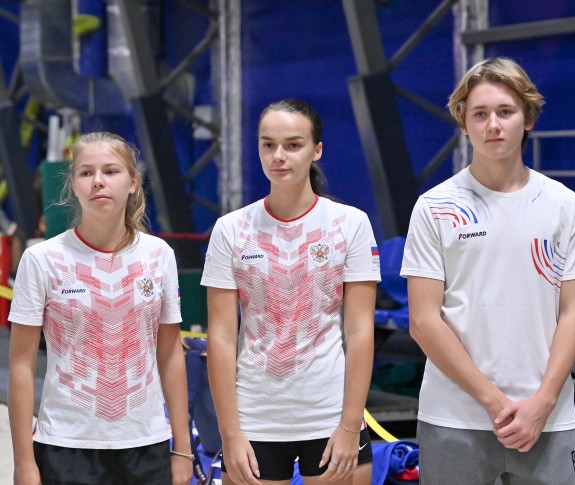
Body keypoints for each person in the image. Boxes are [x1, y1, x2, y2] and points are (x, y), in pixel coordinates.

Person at [400, 56, 575, 484]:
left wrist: (543, 402)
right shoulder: (435, 207)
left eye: (505, 111)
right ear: (464, 122)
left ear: (528, 118)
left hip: (546, 417)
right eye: (480, 114)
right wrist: (492, 401)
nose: (493, 124)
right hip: (454, 417)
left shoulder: (564, 205)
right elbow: (423, 320)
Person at [201, 99, 380, 485]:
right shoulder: (231, 229)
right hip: (254, 418)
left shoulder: (351, 224)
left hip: (331, 416)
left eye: (293, 145)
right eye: (268, 144)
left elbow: (360, 330)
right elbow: (221, 336)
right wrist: (229, 433)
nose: (278, 156)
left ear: (317, 150)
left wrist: (350, 424)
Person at [8, 131, 192, 485]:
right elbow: (21, 365)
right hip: (65, 446)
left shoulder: (158, 255)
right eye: (86, 173)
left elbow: (171, 353)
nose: (98, 182)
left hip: (146, 445)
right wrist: (24, 462)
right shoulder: (42, 259)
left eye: (110, 171)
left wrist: (182, 448)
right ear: (73, 185)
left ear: (133, 182)